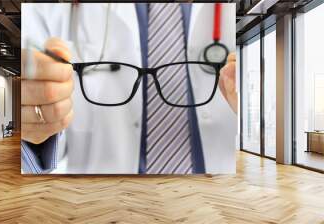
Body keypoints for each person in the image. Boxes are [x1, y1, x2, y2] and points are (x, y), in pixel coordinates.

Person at [21, 3, 237, 174]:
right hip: (104, 201)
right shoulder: (48, 11)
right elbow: (39, 153)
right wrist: (35, 129)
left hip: (213, 200)